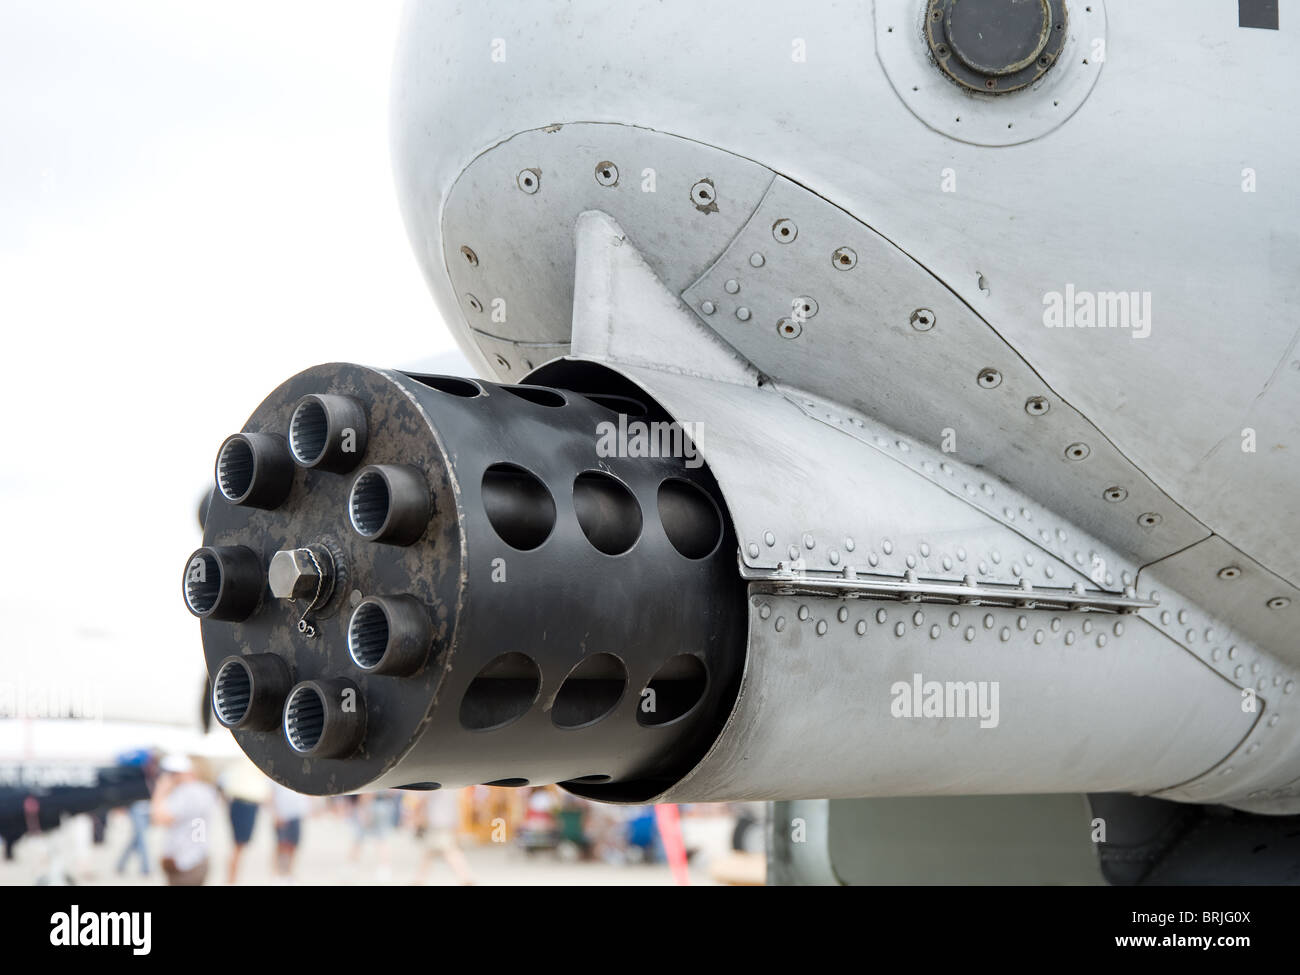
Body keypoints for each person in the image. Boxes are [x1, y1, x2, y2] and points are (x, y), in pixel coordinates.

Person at [150, 754, 218, 886]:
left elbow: (158, 819)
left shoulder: (187, 792)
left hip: (185, 863)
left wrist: (160, 791)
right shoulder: (206, 791)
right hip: (198, 857)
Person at [218, 754, 271, 884]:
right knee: (238, 846)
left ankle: (232, 880)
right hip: (244, 802)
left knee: (239, 846)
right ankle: (231, 880)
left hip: (245, 802)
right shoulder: (247, 757)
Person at [414, 788, 474, 885]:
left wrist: (417, 817)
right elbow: (457, 804)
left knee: (448, 851)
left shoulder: (434, 784)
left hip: (437, 822)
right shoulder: (453, 785)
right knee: (431, 851)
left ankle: (465, 878)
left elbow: (422, 801)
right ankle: (419, 879)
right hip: (445, 821)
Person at [271, 783, 311, 882]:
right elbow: (271, 793)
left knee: (294, 844)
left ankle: (289, 872)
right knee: (281, 845)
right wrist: (276, 813)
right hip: (283, 813)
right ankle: (276, 872)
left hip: (297, 812)